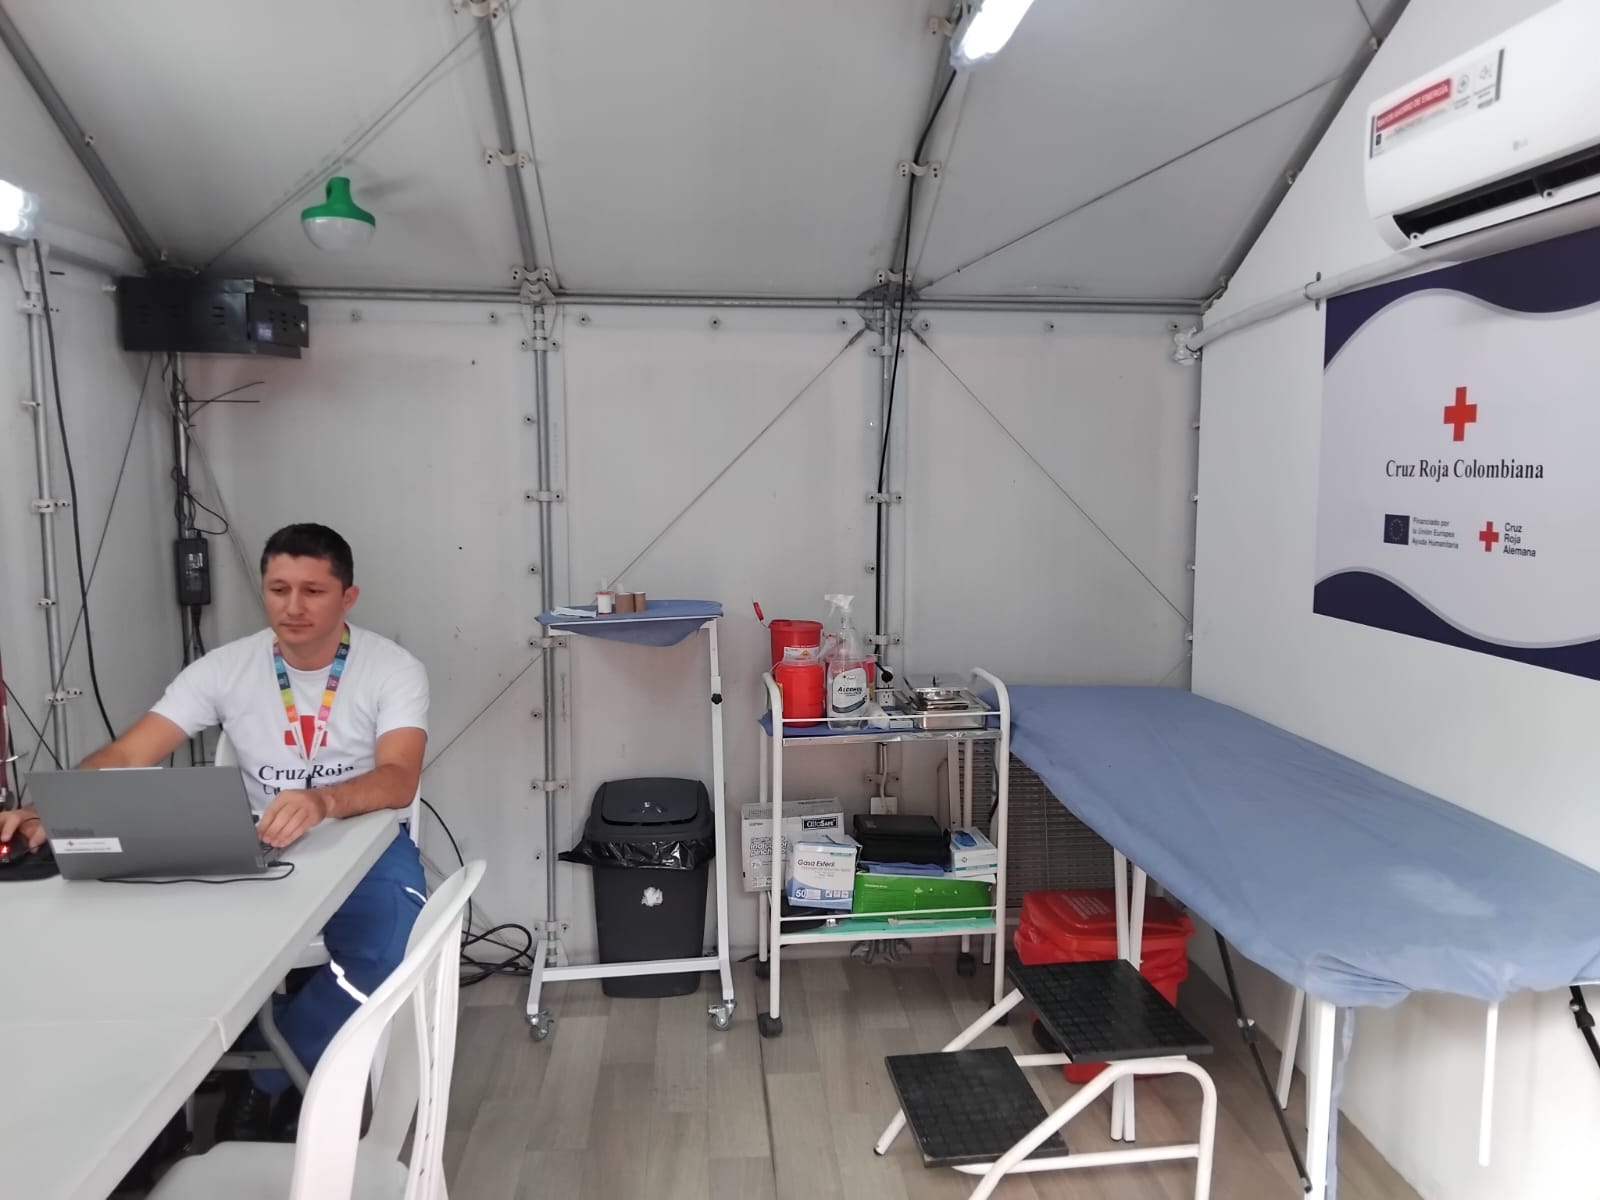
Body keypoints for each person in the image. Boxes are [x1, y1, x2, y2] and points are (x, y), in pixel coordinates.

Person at [0, 523, 429, 1141]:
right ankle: (208, 1083)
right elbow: (129, 755)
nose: (293, 606)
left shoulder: (392, 668)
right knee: (157, 958)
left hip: (362, 842)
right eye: (278, 589)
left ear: (348, 597)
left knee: (388, 956)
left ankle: (263, 1075)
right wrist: (50, 811)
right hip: (246, 843)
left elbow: (397, 778)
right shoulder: (226, 667)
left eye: (313, 590)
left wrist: (322, 799)